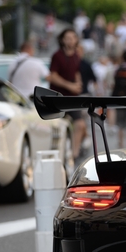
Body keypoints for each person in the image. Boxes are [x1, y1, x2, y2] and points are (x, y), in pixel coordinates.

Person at [49, 28, 83, 160]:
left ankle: (73, 155)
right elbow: (53, 76)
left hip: (72, 97)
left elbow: (76, 71)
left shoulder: (76, 55)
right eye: (67, 38)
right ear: (62, 40)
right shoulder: (57, 55)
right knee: (58, 127)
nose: (70, 40)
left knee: (79, 125)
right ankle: (58, 154)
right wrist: (70, 86)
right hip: (59, 97)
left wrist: (78, 83)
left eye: (72, 37)